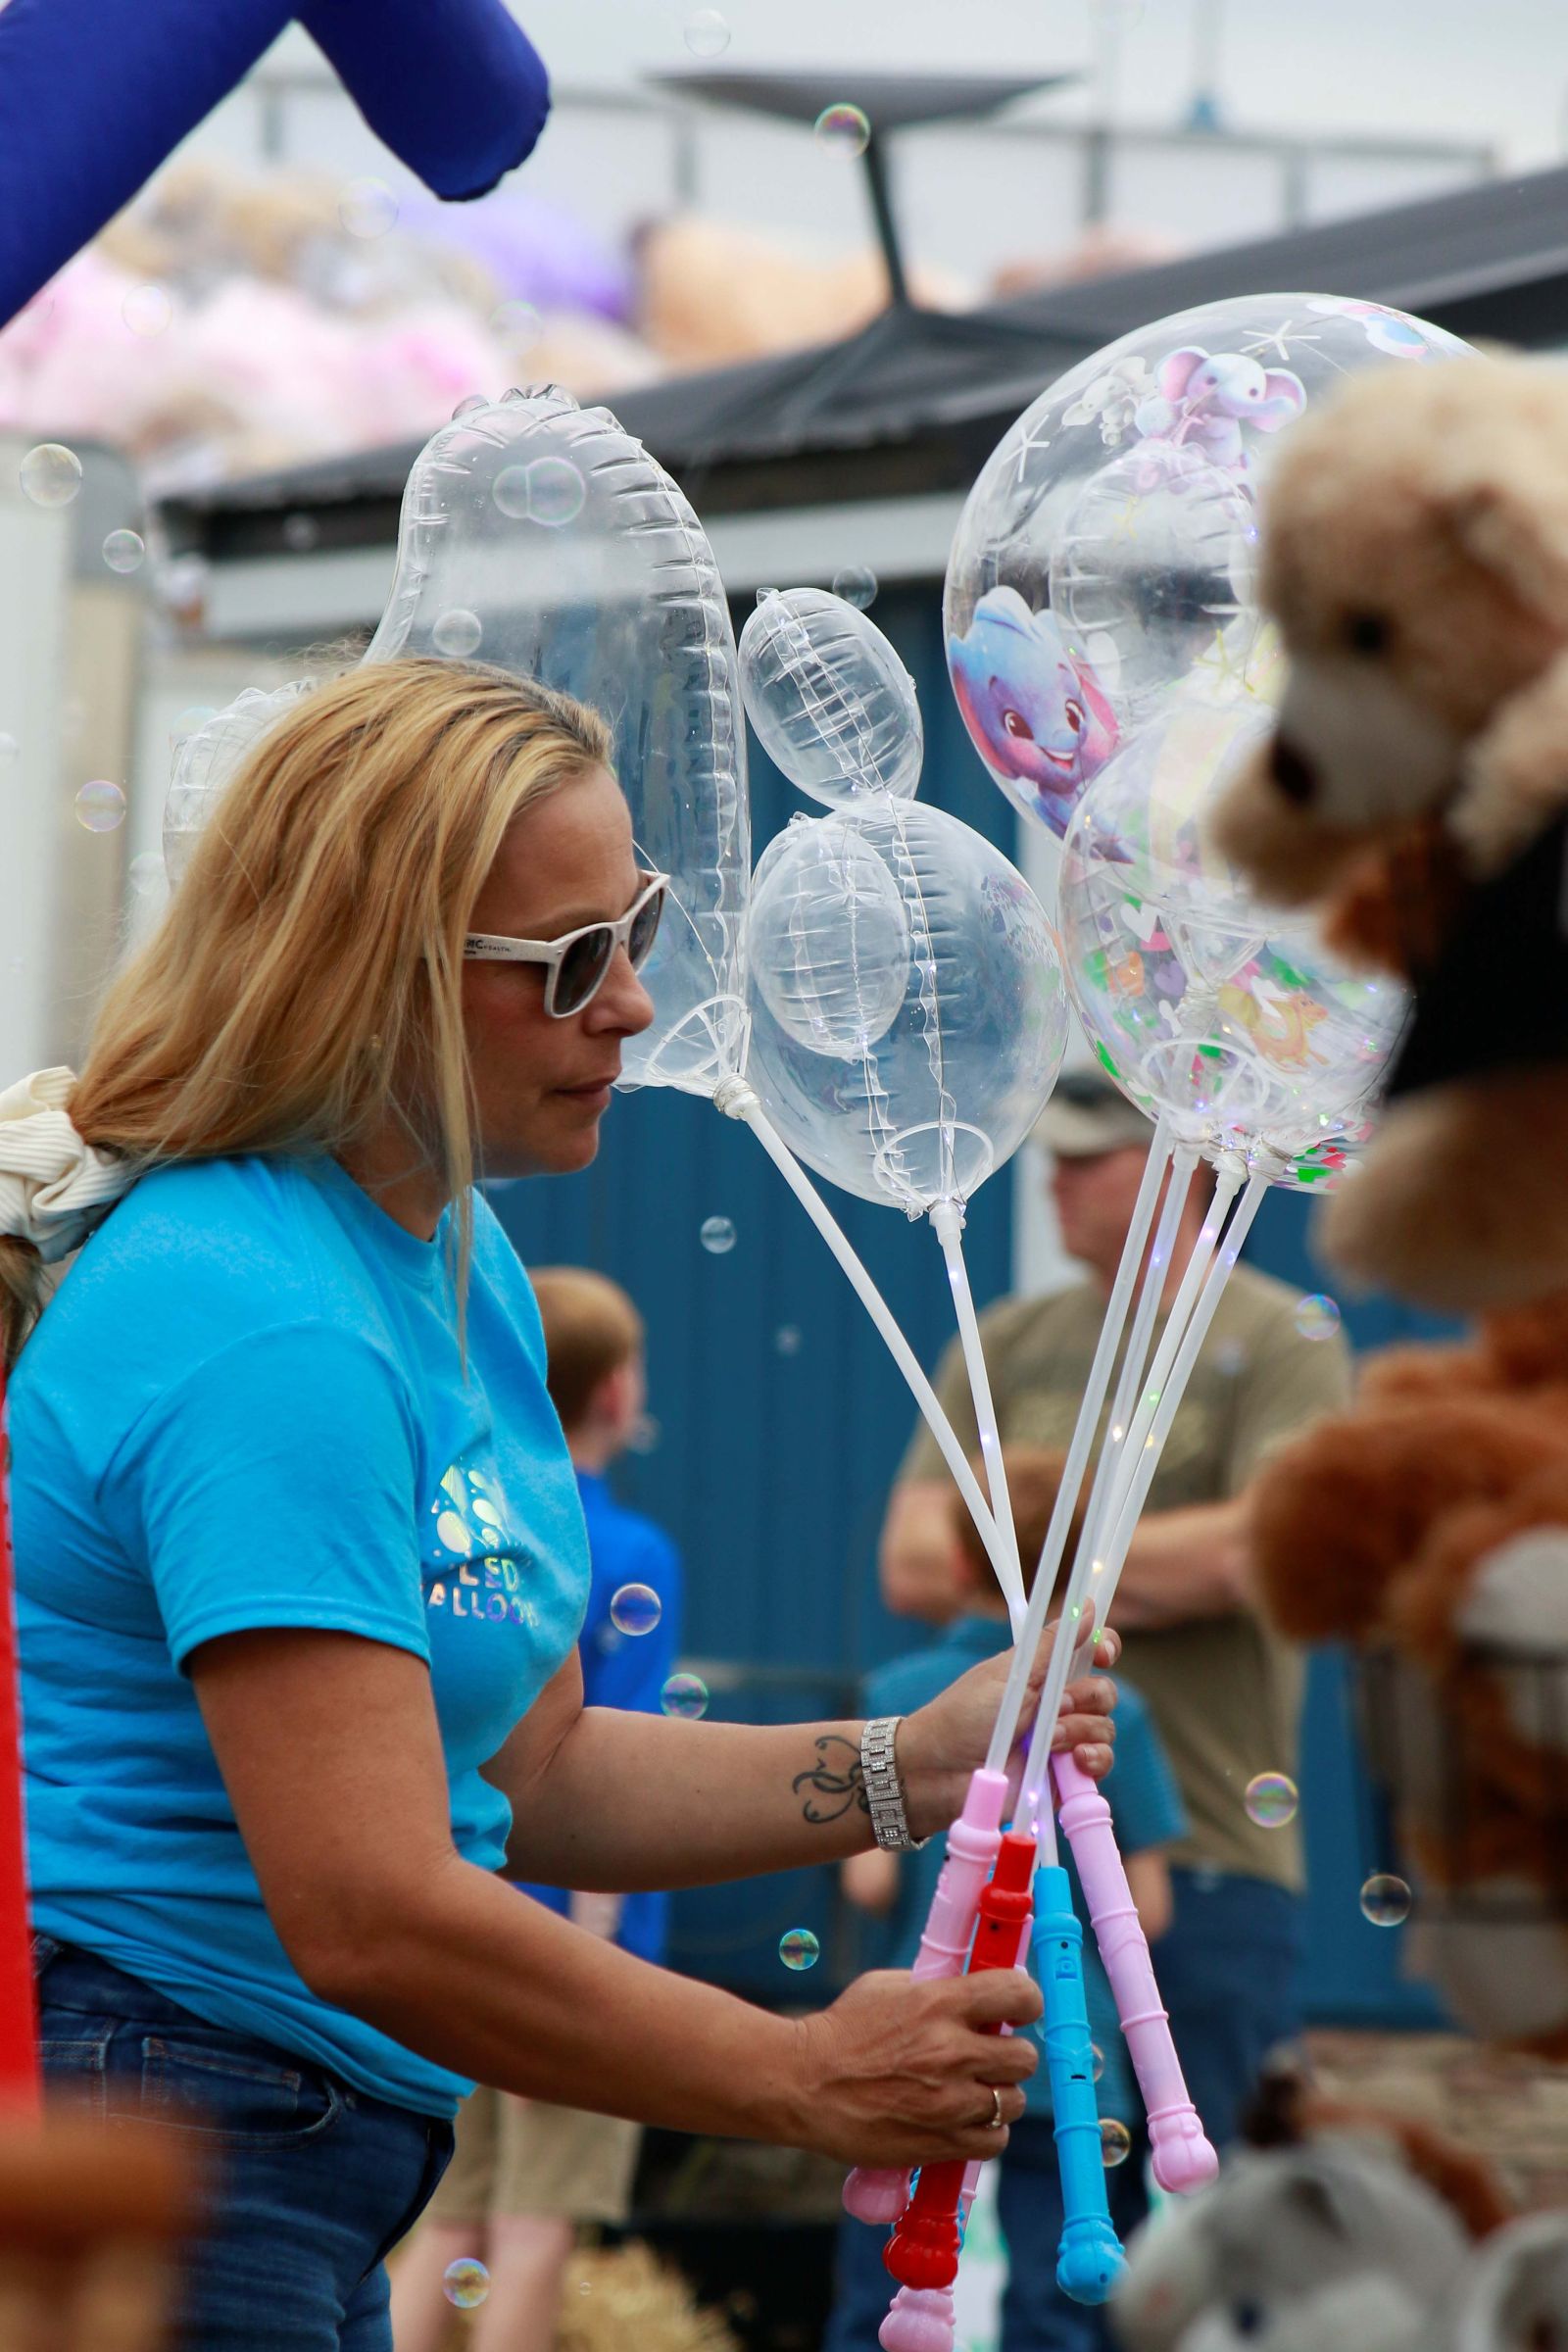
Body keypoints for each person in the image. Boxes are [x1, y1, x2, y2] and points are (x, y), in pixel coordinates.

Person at [0, 659, 1118, 2352]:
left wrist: (918, 1762)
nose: (637, 1007)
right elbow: (371, 1909)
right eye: (574, 960)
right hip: (168, 2133)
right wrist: (800, 2074)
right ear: (372, 976)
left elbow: (535, 1774)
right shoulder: (264, 1321)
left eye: (640, 928)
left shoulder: (454, 1259)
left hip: (280, 2140)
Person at [880, 1071, 1352, 2154]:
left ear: (1178, 1173)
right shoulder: (1007, 1340)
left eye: (1089, 1160)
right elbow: (910, 1561)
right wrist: (1142, 1566)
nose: (1057, 1182)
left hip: (1205, 1842)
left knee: (1213, 2183)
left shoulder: (1277, 1337)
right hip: (1020, 1844)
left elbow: (1254, 1550)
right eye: (1053, 1160)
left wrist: (1018, 1559)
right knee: (1037, 2185)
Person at [827, 1446, 1185, 2352]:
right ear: (1088, 1578)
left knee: (885, 2288)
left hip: (931, 2027)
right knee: (1061, 2299)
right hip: (1069, 2048)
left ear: (956, 1561)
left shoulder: (897, 1695)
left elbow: (869, 1879)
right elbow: (1147, 1911)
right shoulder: (1106, 1705)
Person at [390, 1267, 682, 2352]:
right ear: (615, 1393)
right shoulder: (632, 1551)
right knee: (538, 2218)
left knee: (452, 2216)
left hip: (459, 1903)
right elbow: (621, 1738)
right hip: (571, 1924)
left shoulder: (469, 1529)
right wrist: (594, 1936)